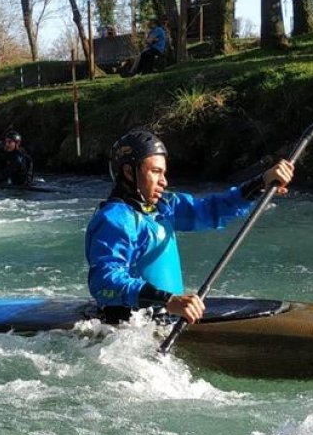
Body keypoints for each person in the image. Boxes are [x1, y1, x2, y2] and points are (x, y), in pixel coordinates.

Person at [85, 129, 293, 324]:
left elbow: (212, 210)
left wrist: (260, 184)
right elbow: (104, 282)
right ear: (129, 172)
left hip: (166, 318)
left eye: (163, 173)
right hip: (130, 327)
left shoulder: (164, 206)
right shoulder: (115, 219)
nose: (164, 181)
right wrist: (167, 300)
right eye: (156, 172)